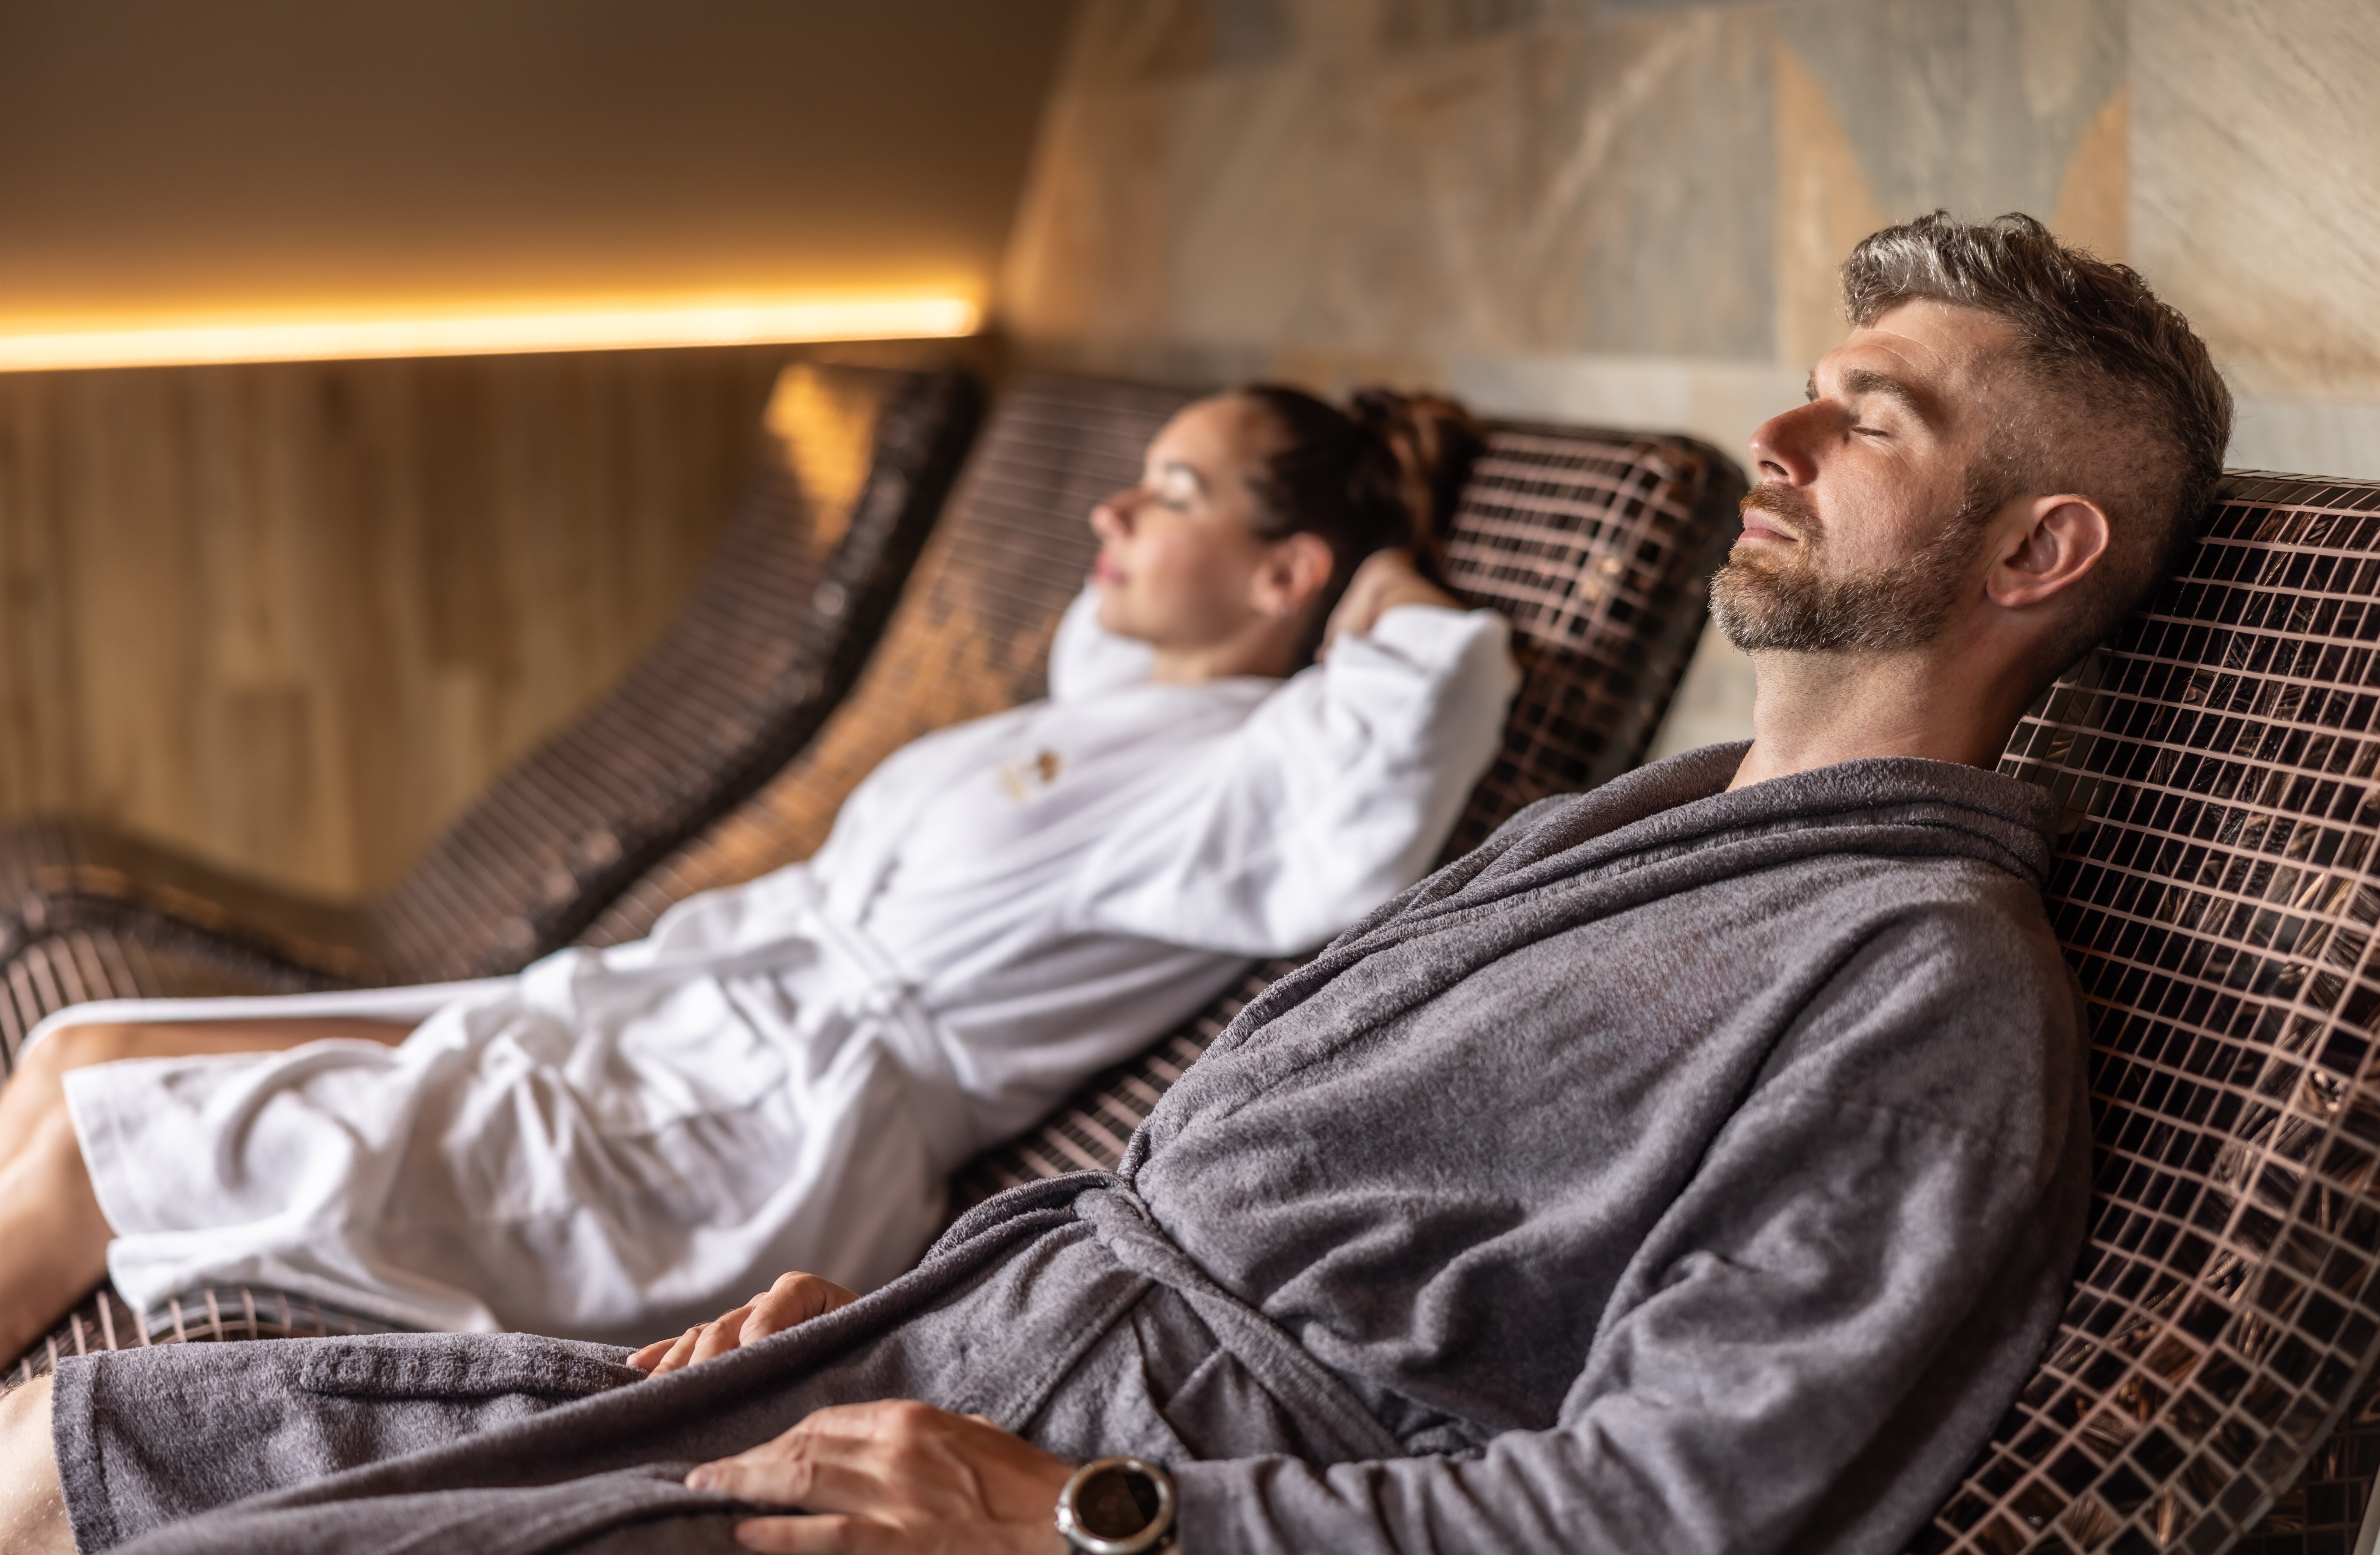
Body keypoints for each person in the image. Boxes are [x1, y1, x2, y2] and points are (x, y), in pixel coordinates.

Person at [0, 212, 2233, 1555]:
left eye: (1873, 424)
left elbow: (1676, 1515)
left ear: (2036, 554)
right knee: (70, 1455)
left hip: (1096, 1477)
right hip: (944, 1351)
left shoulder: (1921, 990)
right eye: (1811, 393)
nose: (1782, 438)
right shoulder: (1639, 829)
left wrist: (1069, 1513)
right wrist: (879, 1319)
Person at [0, 384, 1521, 1360]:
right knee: (80, 1052)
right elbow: (1126, 628)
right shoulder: (1111, 706)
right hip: (661, 1020)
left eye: (1173, 492)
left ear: (1288, 575)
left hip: (752, 1127)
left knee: (87, 1155)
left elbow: (1414, 723)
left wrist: (1377, 557)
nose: (1109, 513)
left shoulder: (1258, 773)